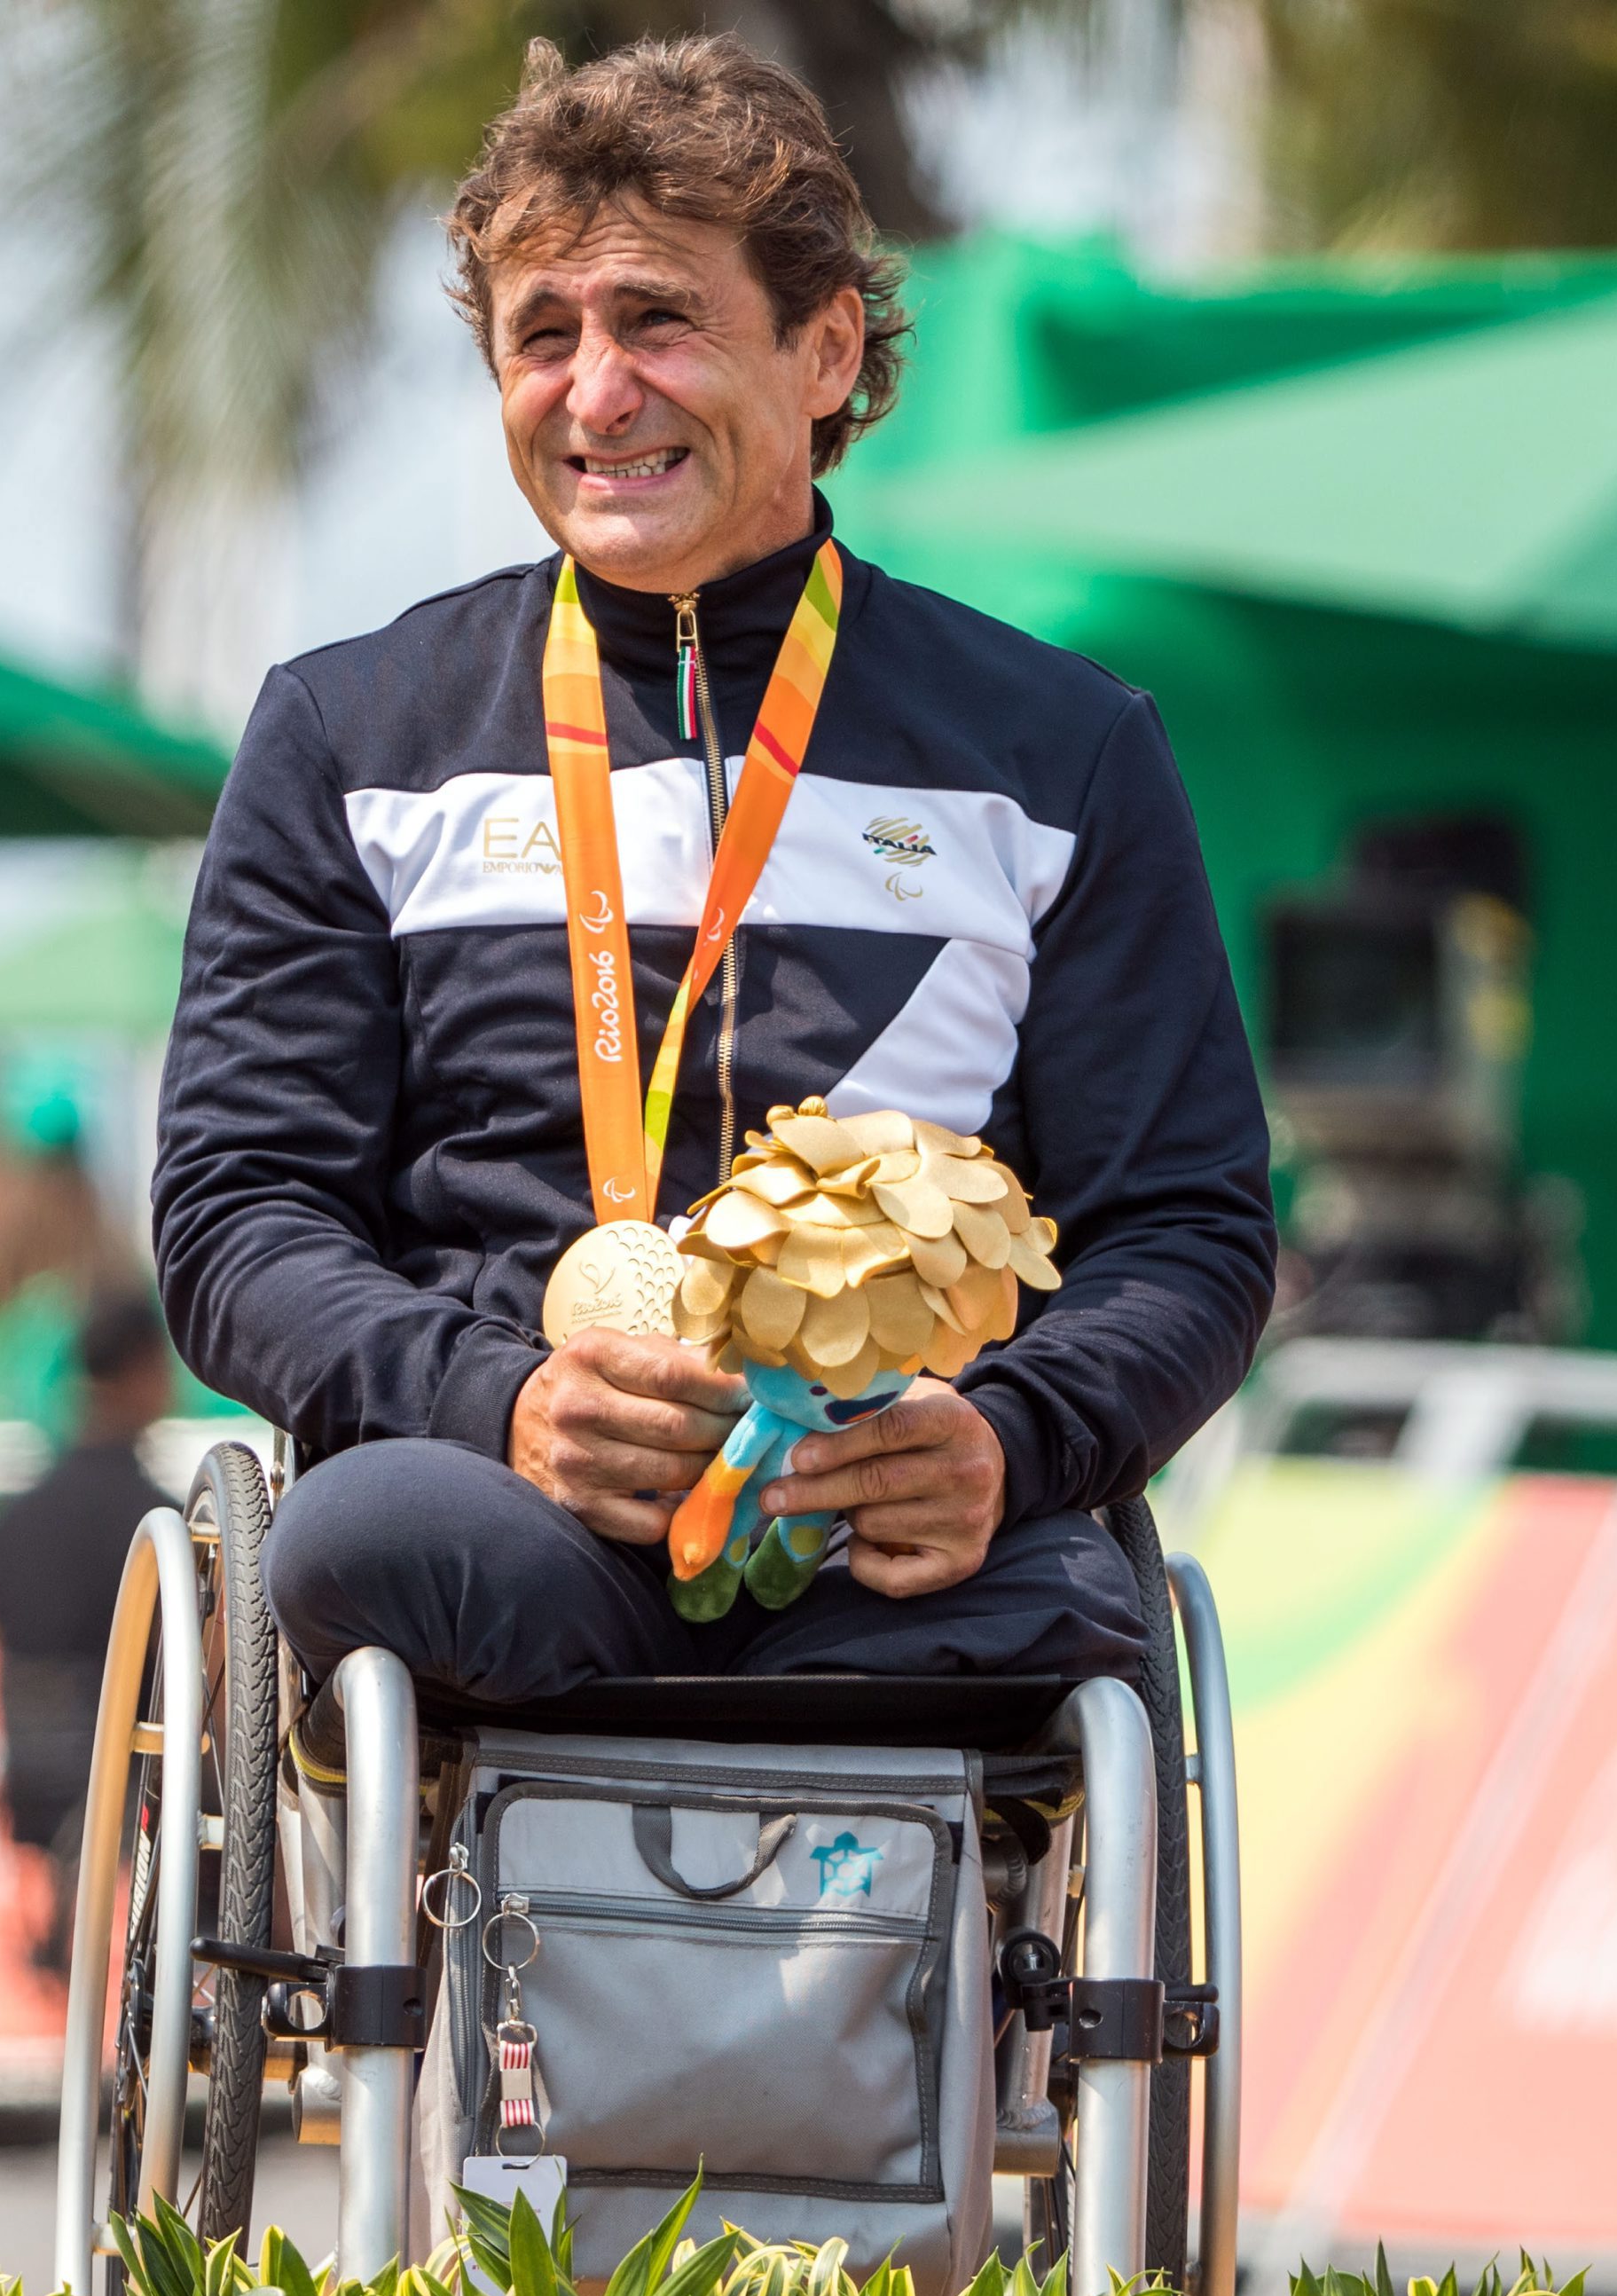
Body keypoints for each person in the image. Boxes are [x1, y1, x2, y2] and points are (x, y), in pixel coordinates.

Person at [150, 35, 1276, 1709]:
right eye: (544, 337)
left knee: (1061, 1618)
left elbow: (1185, 1226)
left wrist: (1007, 1438)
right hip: (507, 1507)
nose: (596, 392)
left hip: (894, 1526)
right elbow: (238, 1211)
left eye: (657, 319)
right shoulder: (351, 734)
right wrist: (496, 1399)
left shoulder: (1059, 748)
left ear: (826, 351)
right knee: (371, 1541)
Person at [0, 1290, 179, 1966]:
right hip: (125, 1779)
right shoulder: (163, 1527)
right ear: (140, 1373)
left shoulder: (11, 1519)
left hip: (33, 1771)